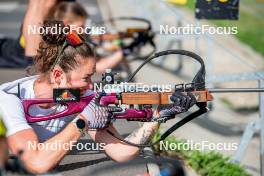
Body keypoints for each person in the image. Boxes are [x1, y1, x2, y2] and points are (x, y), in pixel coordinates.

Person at [0, 21, 196, 174]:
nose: (91, 86)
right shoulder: (9, 98)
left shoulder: (79, 95)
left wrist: (156, 118)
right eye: (86, 78)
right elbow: (37, 164)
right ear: (58, 76)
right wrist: (82, 121)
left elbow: (121, 153)